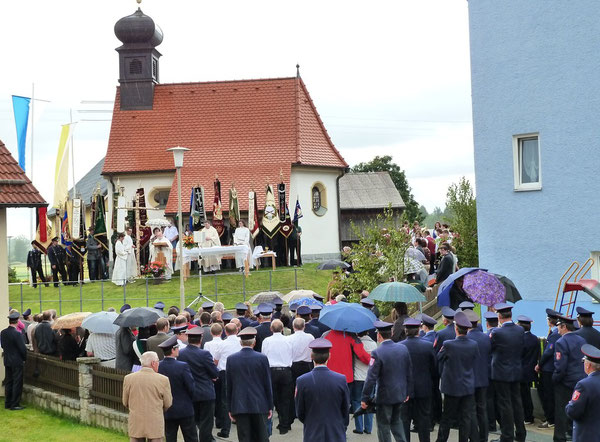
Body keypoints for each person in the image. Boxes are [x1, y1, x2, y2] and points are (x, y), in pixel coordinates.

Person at [361, 320, 413, 442]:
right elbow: (409, 371)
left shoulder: (377, 352)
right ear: (391, 333)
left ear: (379, 335)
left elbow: (371, 378)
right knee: (396, 422)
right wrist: (408, 392)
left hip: (385, 396)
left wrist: (365, 397)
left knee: (383, 426)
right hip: (400, 393)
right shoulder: (403, 348)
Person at [436, 312, 480, 442]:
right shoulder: (473, 344)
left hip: (451, 387)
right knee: (465, 418)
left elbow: (439, 357)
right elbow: (475, 359)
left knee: (447, 418)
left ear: (456, 329)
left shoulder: (448, 344)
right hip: (467, 386)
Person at [295, 338, 350, 442]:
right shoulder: (341, 379)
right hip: (335, 430)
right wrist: (342, 425)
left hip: (312, 431)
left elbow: (300, 411)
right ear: (329, 356)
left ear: (311, 356)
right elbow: (345, 407)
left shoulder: (302, 380)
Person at [226, 327, 273, 442]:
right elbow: (267, 383)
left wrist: (230, 407)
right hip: (259, 403)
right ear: (254, 342)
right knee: (262, 437)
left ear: (240, 342)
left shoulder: (231, 359)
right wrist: (270, 405)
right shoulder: (262, 358)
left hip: (240, 405)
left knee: (244, 438)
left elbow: (229, 386)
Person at [490, 303, 526, 442]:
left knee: (505, 405)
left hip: (501, 372)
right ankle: (521, 433)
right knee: (517, 402)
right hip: (516, 370)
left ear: (499, 316)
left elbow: (490, 347)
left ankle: (507, 435)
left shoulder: (497, 332)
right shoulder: (520, 330)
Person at [178, 327, 219, 442]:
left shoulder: (181, 354)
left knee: (191, 422)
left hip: (189, 393)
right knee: (206, 422)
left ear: (188, 339)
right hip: (205, 392)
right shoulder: (204, 354)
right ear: (200, 339)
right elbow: (214, 372)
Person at [122, 351, 173, 442]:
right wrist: (157, 410)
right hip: (155, 420)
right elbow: (168, 403)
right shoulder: (163, 380)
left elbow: (125, 402)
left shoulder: (128, 378)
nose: (158, 364)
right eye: (158, 361)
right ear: (153, 363)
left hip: (136, 420)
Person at [400, 318, 436, 442]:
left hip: (405, 389)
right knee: (424, 419)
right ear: (418, 330)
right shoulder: (427, 346)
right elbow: (434, 368)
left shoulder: (400, 347)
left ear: (406, 330)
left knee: (405, 420)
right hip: (424, 387)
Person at [157, 335, 198, 442]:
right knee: (191, 437)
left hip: (167, 409)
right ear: (173, 350)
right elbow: (191, 387)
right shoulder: (182, 366)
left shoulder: (158, 366)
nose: (178, 350)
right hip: (185, 408)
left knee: (170, 437)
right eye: (177, 348)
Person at [552, 314, 586, 442]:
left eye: (559, 327)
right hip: (580, 380)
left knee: (561, 411)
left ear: (564, 326)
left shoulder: (561, 342)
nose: (558, 330)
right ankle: (574, 434)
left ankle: (559, 438)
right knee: (577, 409)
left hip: (565, 381)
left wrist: (555, 379)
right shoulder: (581, 340)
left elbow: (561, 366)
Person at [261, 319, 294, 434]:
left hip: (272, 371)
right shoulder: (288, 340)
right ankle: (284, 423)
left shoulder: (267, 341)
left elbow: (263, 355)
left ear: (271, 329)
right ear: (282, 329)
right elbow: (292, 354)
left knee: (274, 398)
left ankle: (281, 421)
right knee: (285, 398)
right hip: (285, 370)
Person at [464, 309, 491, 442]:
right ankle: (483, 437)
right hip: (483, 378)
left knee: (471, 410)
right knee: (482, 409)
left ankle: (474, 437)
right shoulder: (486, 337)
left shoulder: (466, 338)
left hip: (469, 379)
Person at [565, 344, 600, 442]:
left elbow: (573, 412)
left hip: (588, 436)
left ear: (588, 365)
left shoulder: (583, 385)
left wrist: (569, 404)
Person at [212, 323, 242, 439]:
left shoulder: (222, 344)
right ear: (237, 330)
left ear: (226, 331)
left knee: (225, 401)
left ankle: (225, 429)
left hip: (225, 372)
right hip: (239, 371)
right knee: (239, 397)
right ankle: (241, 423)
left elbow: (216, 360)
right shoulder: (240, 341)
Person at [2, 311, 27, 410]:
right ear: (17, 321)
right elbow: (22, 349)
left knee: (9, 381)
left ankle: (7, 403)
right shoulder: (17, 334)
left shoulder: (3, 332)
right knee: (17, 382)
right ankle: (15, 404)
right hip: (17, 361)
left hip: (7, 360)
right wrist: (24, 358)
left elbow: (3, 345)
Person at [517, 315, 540, 425]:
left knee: (522, 395)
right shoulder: (534, 338)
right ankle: (529, 416)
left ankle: (526, 416)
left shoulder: (521, 339)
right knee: (527, 394)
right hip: (530, 370)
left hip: (521, 371)